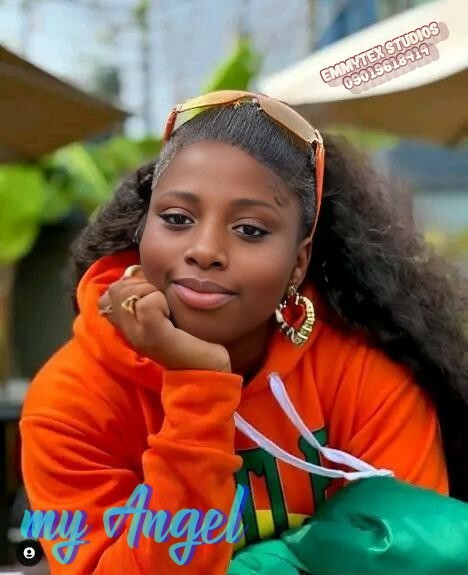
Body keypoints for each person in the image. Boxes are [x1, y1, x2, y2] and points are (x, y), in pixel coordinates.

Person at [20, 91, 467, 575]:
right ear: (143, 228)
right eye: (177, 219)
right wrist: (198, 386)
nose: (205, 250)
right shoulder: (74, 399)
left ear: (298, 263)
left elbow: (423, 557)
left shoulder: (360, 376)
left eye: (250, 230)